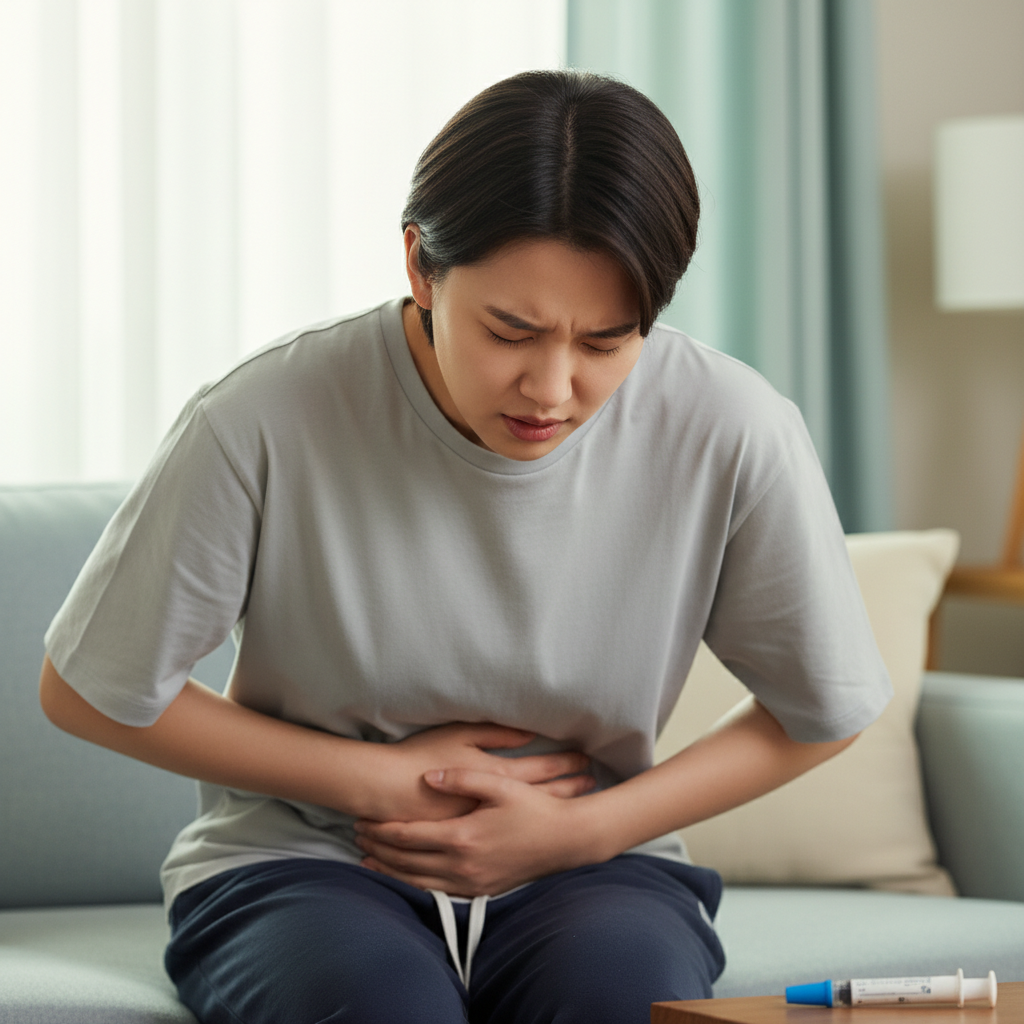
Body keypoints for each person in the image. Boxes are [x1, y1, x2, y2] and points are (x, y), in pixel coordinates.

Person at [39, 70, 892, 1024]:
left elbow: (822, 708)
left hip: (594, 868)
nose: (552, 389)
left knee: (613, 997)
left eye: (606, 343)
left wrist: (580, 831)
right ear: (420, 266)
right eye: (510, 331)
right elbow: (87, 688)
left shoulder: (731, 427)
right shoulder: (261, 419)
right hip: (303, 862)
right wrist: (376, 780)